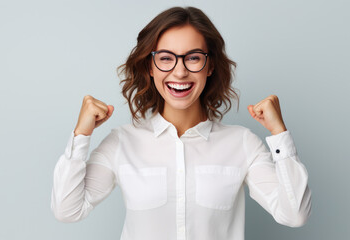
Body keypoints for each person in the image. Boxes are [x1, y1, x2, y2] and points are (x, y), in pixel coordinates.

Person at [51, 6, 312, 240]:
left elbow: (294, 214)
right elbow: (67, 210)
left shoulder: (242, 143)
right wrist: (81, 134)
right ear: (150, 67)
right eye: (166, 58)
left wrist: (279, 134)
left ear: (210, 66)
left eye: (193, 57)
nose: (179, 71)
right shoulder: (122, 142)